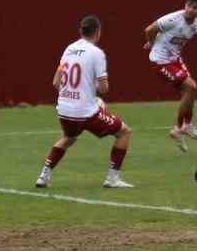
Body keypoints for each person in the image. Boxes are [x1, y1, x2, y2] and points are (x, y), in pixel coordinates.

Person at [36, 14, 134, 190]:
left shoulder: (69, 49)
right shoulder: (97, 53)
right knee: (124, 132)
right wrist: (95, 98)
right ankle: (112, 178)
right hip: (84, 112)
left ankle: (43, 176)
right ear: (98, 32)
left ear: (81, 31)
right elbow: (104, 89)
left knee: (69, 137)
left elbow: (56, 82)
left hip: (64, 109)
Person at [143, 0, 197, 151]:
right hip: (160, 61)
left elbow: (177, 42)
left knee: (191, 90)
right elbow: (149, 29)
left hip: (175, 60)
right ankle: (179, 128)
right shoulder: (172, 19)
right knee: (191, 86)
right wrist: (152, 43)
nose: (190, 9)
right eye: (188, 5)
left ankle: (186, 125)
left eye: (195, 7)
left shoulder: (196, 27)